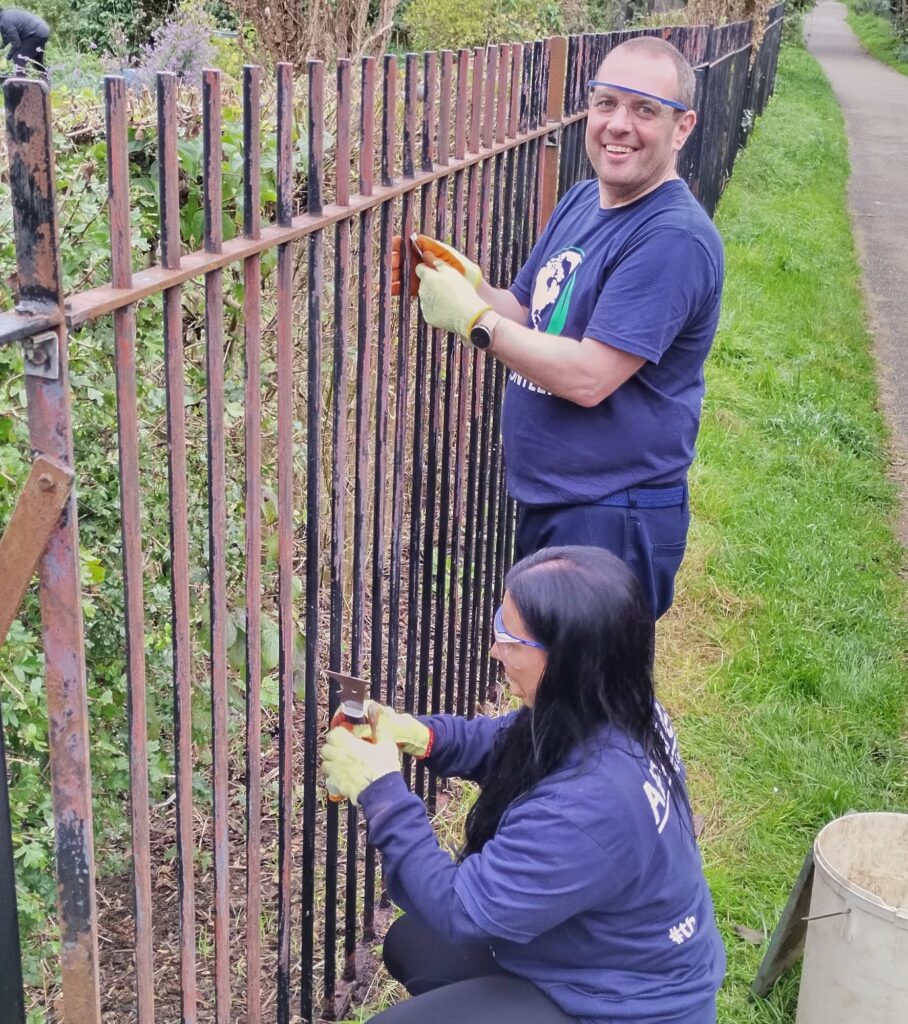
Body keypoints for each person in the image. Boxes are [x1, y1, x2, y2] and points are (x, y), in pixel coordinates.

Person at [321, 545, 726, 1023]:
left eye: (512, 639)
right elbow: (511, 742)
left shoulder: (590, 805)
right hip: (604, 953)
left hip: (627, 1006)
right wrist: (422, 736)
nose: (496, 649)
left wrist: (380, 790)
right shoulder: (618, 705)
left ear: (568, 659)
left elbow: (460, 909)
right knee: (415, 945)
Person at [393, 37, 724, 619]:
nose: (619, 125)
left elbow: (591, 377)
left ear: (682, 126)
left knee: (592, 701)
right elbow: (527, 311)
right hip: (559, 499)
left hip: (613, 511)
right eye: (606, 103)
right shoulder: (581, 201)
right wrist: (470, 284)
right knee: (553, 690)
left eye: (644, 109)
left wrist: (476, 320)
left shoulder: (673, 239)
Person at [0, 7, 49, 76]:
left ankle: (20, 84)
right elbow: (6, 38)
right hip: (42, 30)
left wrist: (7, 58)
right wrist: (1, 48)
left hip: (35, 34)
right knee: (37, 61)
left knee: (18, 58)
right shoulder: (4, 16)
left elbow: (16, 44)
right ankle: (47, 78)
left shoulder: (4, 22)